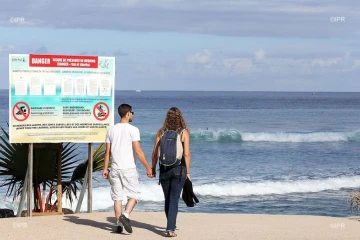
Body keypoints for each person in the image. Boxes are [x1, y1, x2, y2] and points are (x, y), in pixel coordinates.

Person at [102, 103, 153, 234]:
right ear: (128, 113)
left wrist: (104, 169)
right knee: (134, 195)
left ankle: (119, 225)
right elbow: (138, 151)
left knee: (117, 197)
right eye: (132, 113)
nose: (133, 115)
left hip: (114, 168)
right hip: (128, 168)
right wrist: (148, 167)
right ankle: (125, 215)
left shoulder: (111, 130)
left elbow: (107, 152)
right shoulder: (133, 129)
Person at [151, 107, 191, 237]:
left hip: (164, 169)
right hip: (179, 170)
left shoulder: (161, 132)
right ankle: (170, 228)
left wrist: (152, 168)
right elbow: (186, 154)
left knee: (167, 199)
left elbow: (154, 153)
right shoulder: (183, 132)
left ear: (167, 118)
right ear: (180, 118)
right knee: (174, 199)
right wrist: (188, 172)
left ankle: (170, 225)